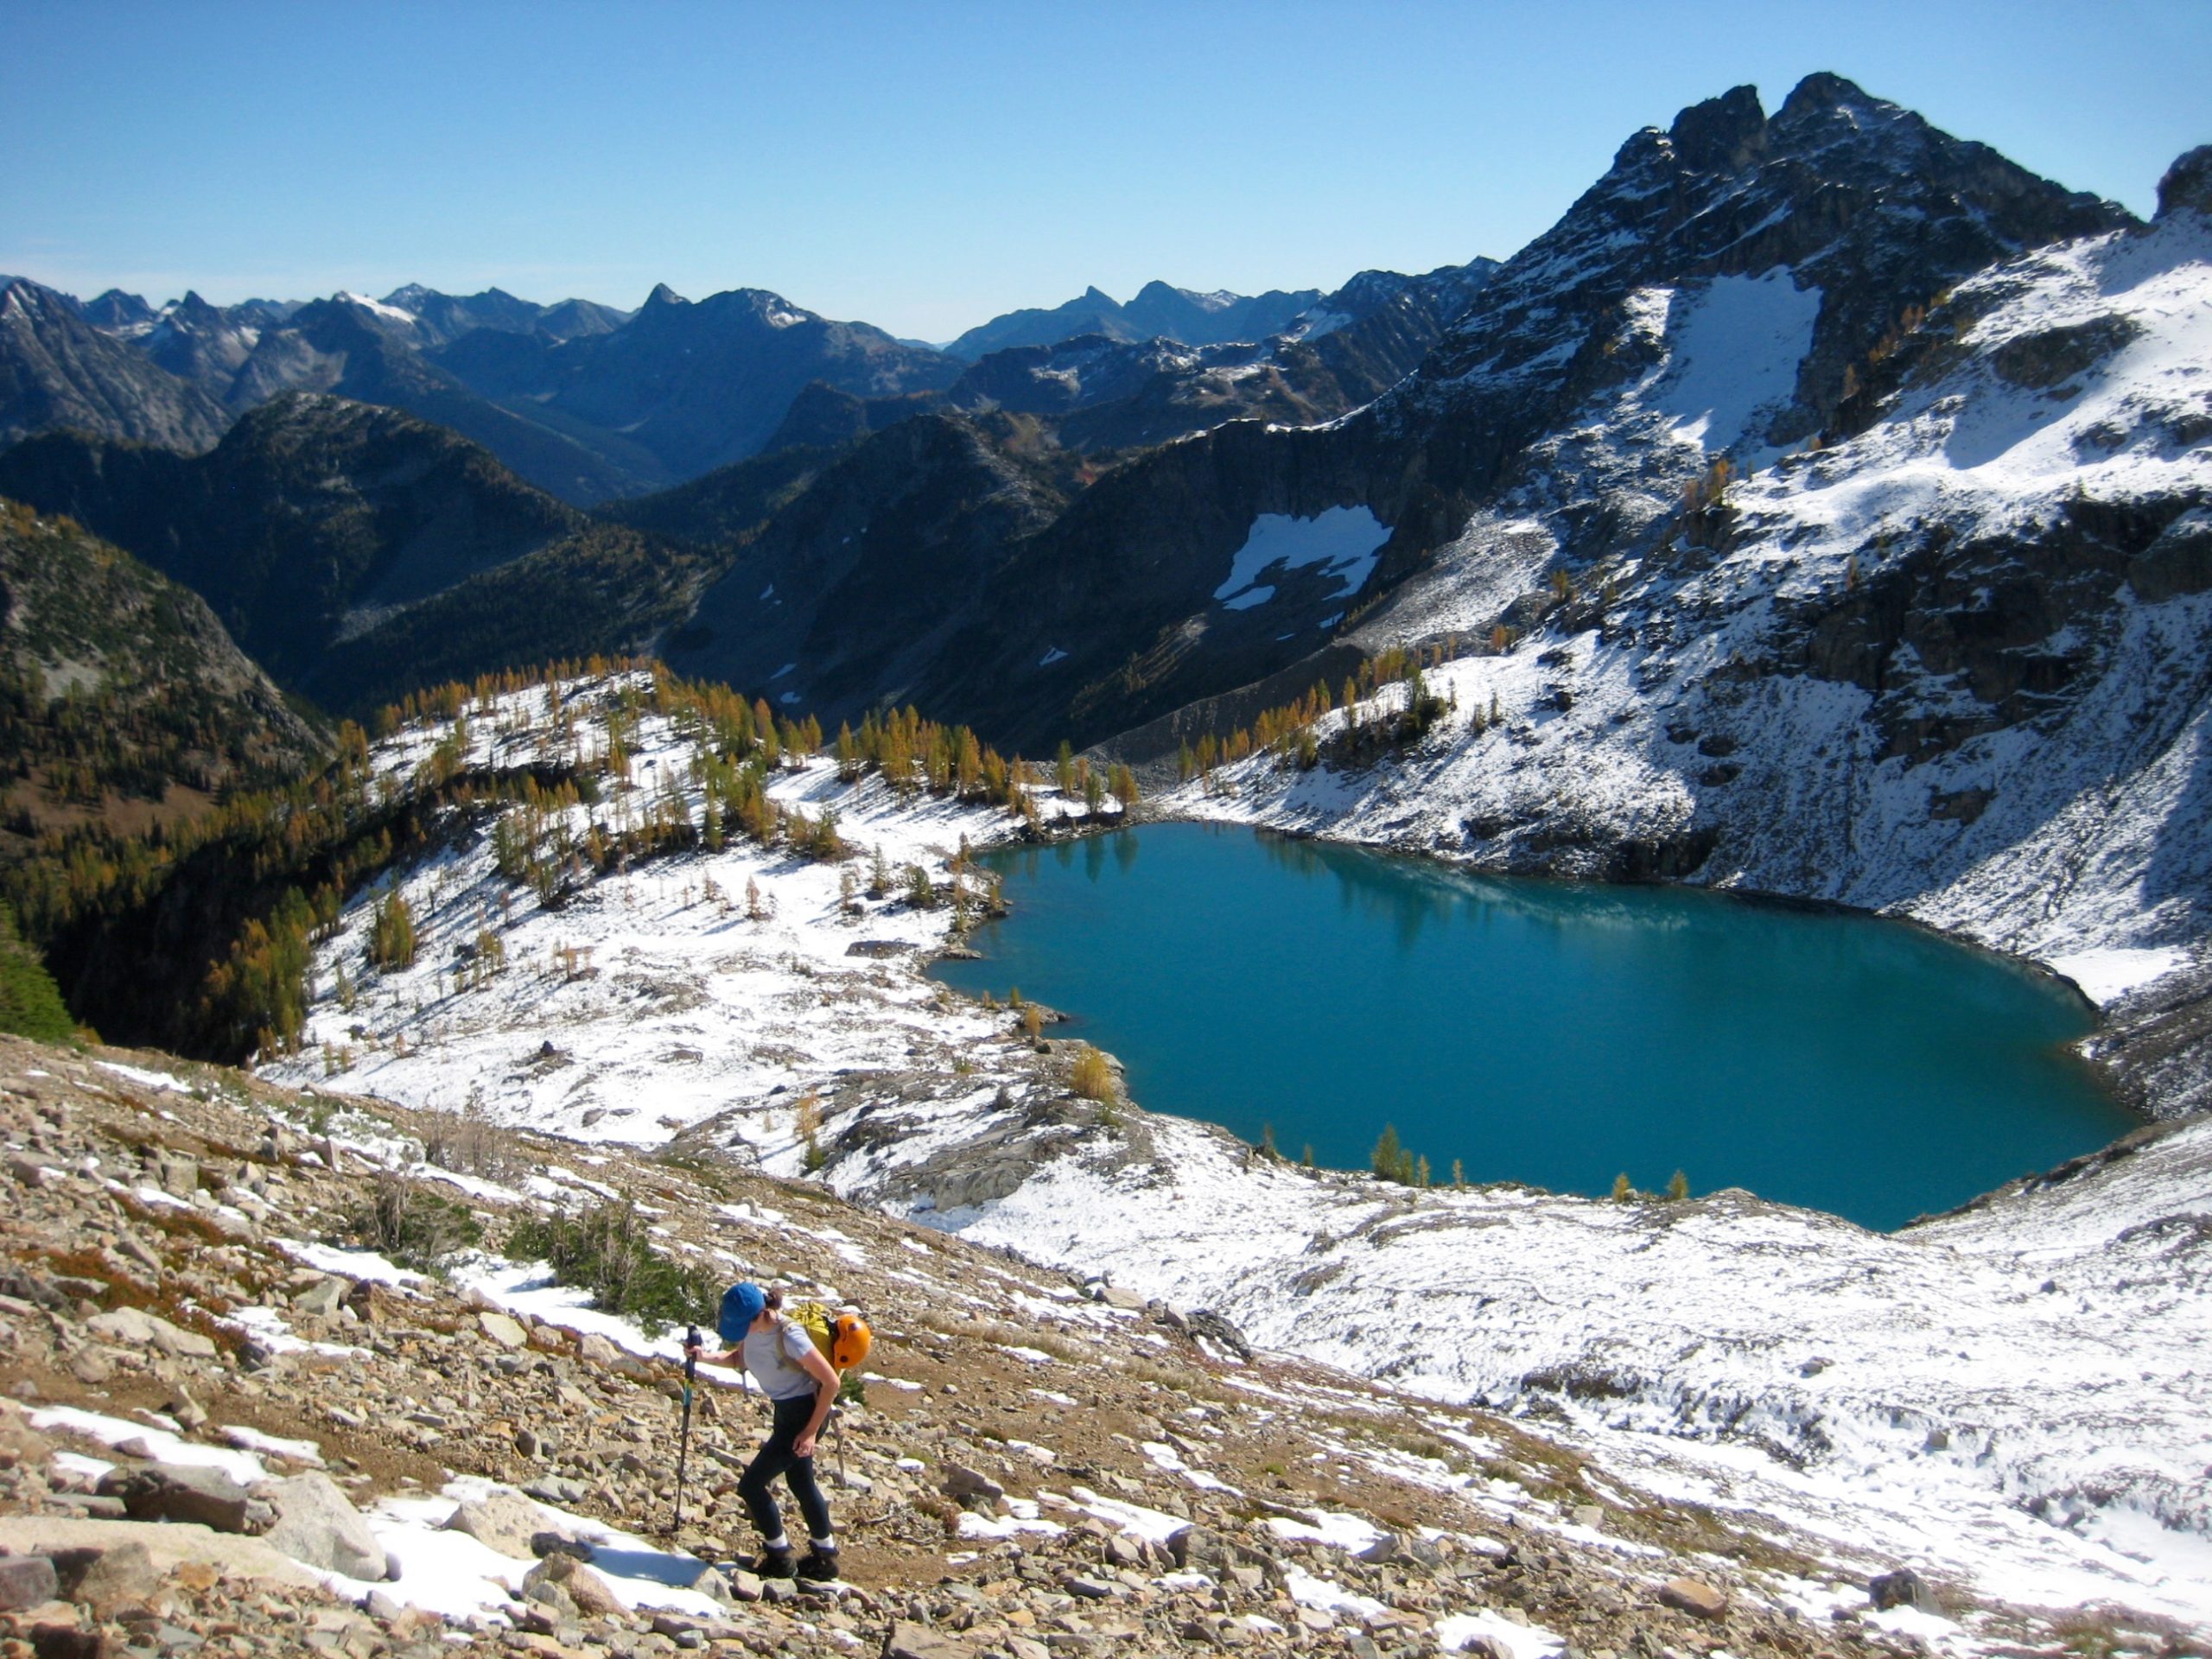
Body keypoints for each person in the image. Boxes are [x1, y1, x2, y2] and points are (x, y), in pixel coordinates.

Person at [687, 1282, 842, 1581]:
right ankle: (825, 1558)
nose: (739, 1331)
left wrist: (810, 1432)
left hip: (805, 1415)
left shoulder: (790, 1335)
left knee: (751, 1486)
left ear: (759, 1314)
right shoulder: (752, 1332)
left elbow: (831, 1383)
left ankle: (780, 1558)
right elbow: (738, 1360)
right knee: (801, 1483)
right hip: (785, 1412)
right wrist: (702, 1357)